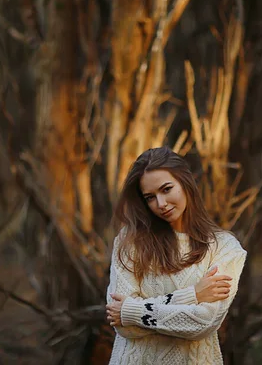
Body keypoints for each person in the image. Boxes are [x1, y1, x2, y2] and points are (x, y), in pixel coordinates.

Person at [105, 146, 247, 365]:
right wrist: (192, 296)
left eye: (166, 189)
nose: (161, 204)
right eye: (150, 197)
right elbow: (122, 325)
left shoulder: (225, 248)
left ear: (185, 183)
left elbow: (203, 323)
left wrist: (132, 311)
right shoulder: (130, 241)